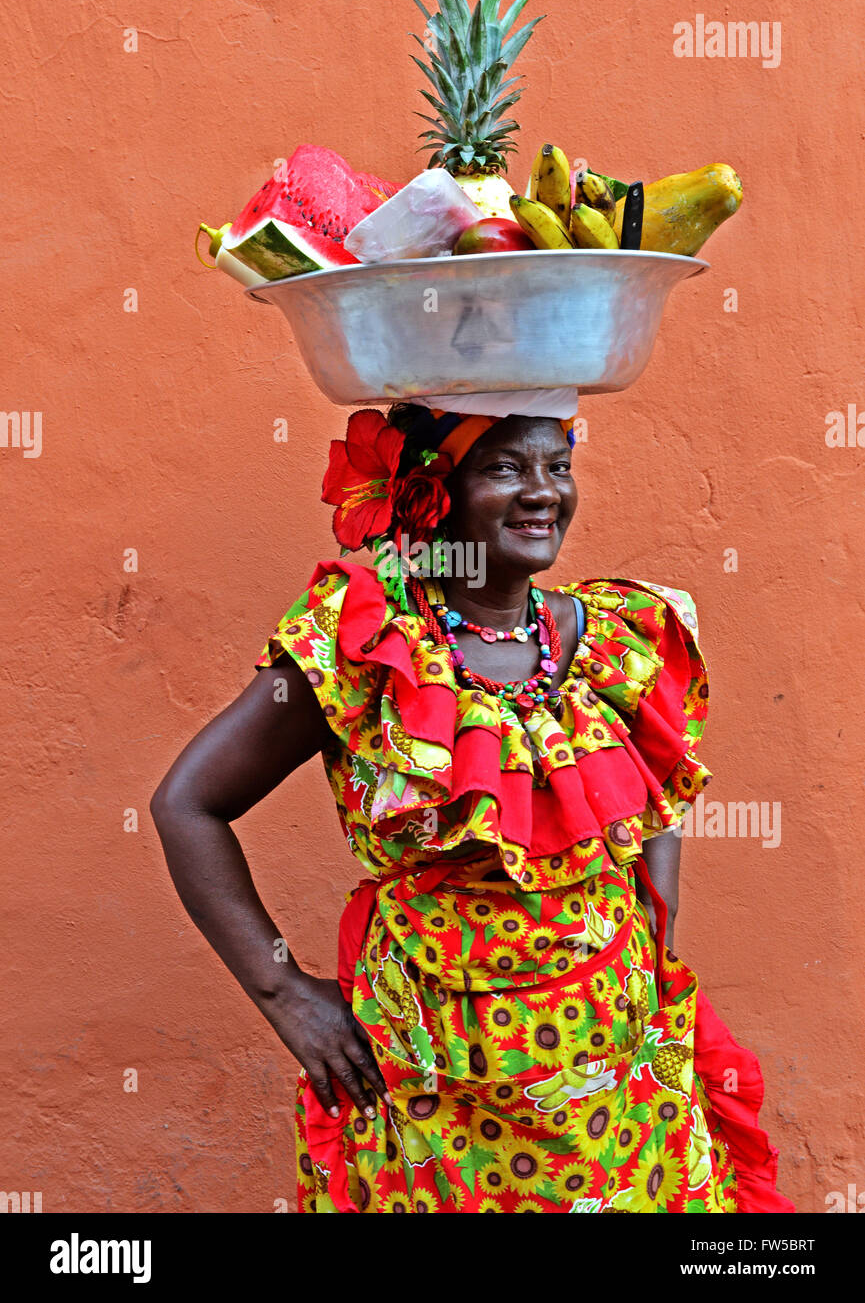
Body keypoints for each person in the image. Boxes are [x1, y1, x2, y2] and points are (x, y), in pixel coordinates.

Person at [150, 401, 795, 1214]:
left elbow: (655, 801)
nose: (541, 493)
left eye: (556, 468)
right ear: (431, 494)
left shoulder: (614, 639)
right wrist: (282, 992)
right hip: (437, 1089)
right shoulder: (368, 644)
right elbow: (188, 805)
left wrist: (652, 945)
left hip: (620, 1092)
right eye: (503, 468)